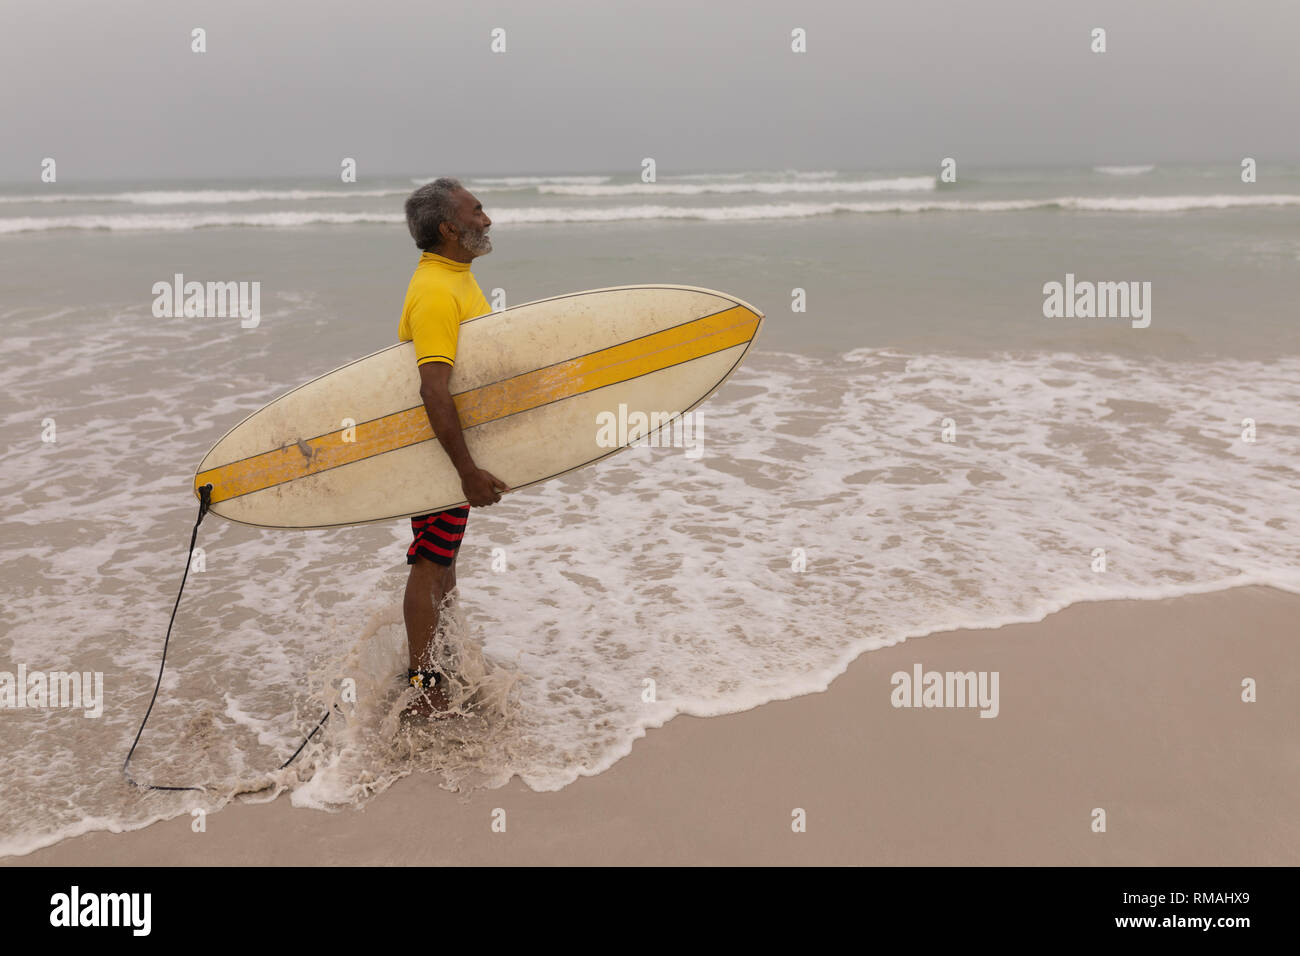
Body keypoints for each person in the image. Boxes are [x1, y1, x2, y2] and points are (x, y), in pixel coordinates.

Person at [397, 177, 510, 719]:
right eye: (477, 210)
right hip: (437, 450)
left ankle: (435, 660)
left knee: (443, 558)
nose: (486, 219)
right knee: (429, 562)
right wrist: (465, 470)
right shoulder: (438, 292)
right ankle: (422, 683)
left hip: (446, 447)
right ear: (449, 227)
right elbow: (433, 388)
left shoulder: (453, 277)